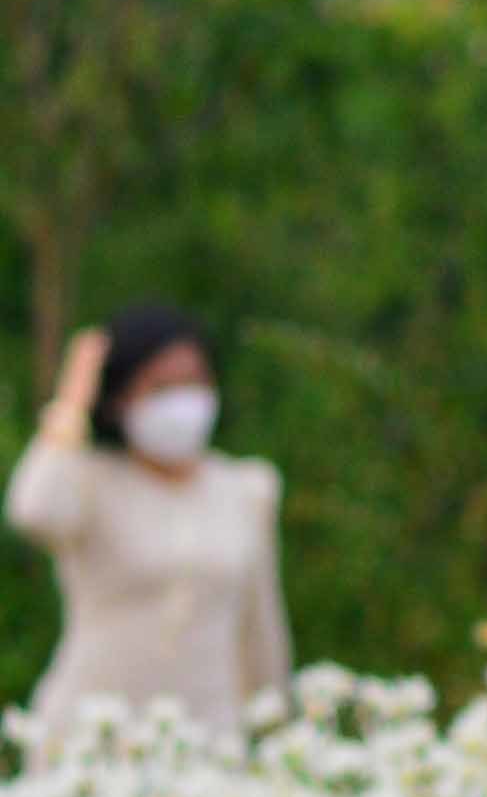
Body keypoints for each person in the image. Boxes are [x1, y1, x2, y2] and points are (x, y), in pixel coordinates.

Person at [16, 304, 290, 740]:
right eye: (161, 386)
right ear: (120, 399)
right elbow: (35, 510)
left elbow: (261, 629)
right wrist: (72, 401)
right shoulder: (89, 480)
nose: (182, 399)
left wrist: (276, 727)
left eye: (193, 381)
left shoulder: (245, 489)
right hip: (90, 738)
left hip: (209, 741)